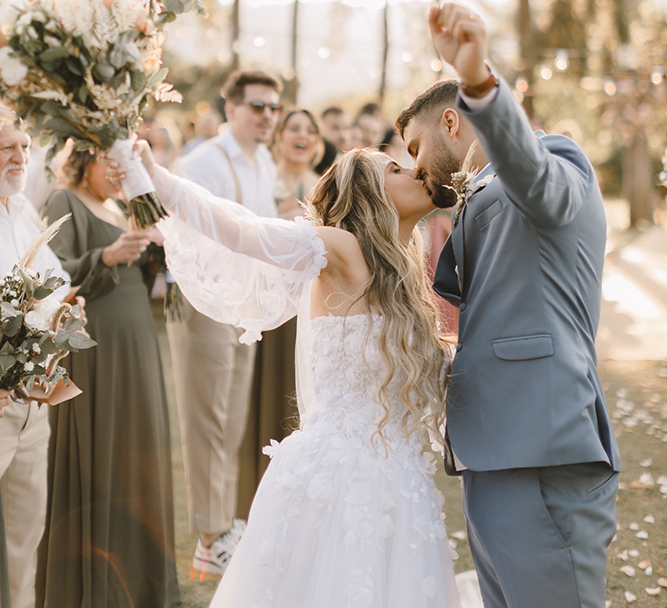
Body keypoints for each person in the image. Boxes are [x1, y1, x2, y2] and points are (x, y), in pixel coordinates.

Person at [115, 136, 460, 608]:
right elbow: (243, 231)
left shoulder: (403, 273)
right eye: (395, 170)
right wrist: (158, 178)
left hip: (402, 482)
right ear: (369, 197)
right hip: (339, 480)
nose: (414, 171)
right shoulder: (340, 248)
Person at [396, 2, 621, 608]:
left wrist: (480, 86)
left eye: (415, 148)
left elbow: (532, 176)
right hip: (495, 453)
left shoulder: (553, 164)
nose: (416, 168)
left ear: (452, 121)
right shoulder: (479, 196)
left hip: (541, 449)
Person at [36, 149, 180, 608]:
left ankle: (140, 578)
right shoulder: (63, 200)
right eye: (110, 161)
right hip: (97, 345)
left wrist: (155, 247)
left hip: (137, 342)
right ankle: (94, 586)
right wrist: (108, 254)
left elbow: (142, 273)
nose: (120, 172)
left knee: (137, 451)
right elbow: (48, 277)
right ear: (82, 157)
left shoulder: (121, 206)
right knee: (102, 452)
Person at [169, 69, 282, 578]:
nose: (267, 116)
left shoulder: (263, 161)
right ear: (231, 107)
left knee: (233, 417)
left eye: (273, 107)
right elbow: (185, 232)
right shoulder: (202, 162)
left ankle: (220, 528)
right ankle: (209, 536)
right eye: (257, 106)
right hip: (206, 301)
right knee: (207, 417)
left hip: (244, 304)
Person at [0, 109, 71, 608]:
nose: (18, 157)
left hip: (30, 400)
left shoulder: (23, 211)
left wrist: (68, 307)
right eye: (6, 147)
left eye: (23, 146)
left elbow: (57, 283)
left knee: (25, 535)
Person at [237, 109, 321, 517]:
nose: (301, 136)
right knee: (259, 400)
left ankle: (294, 505)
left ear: (317, 143)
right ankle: (251, 499)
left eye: (309, 131)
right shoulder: (262, 180)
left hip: (305, 308)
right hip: (265, 306)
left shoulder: (322, 189)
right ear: (281, 138)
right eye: (294, 129)